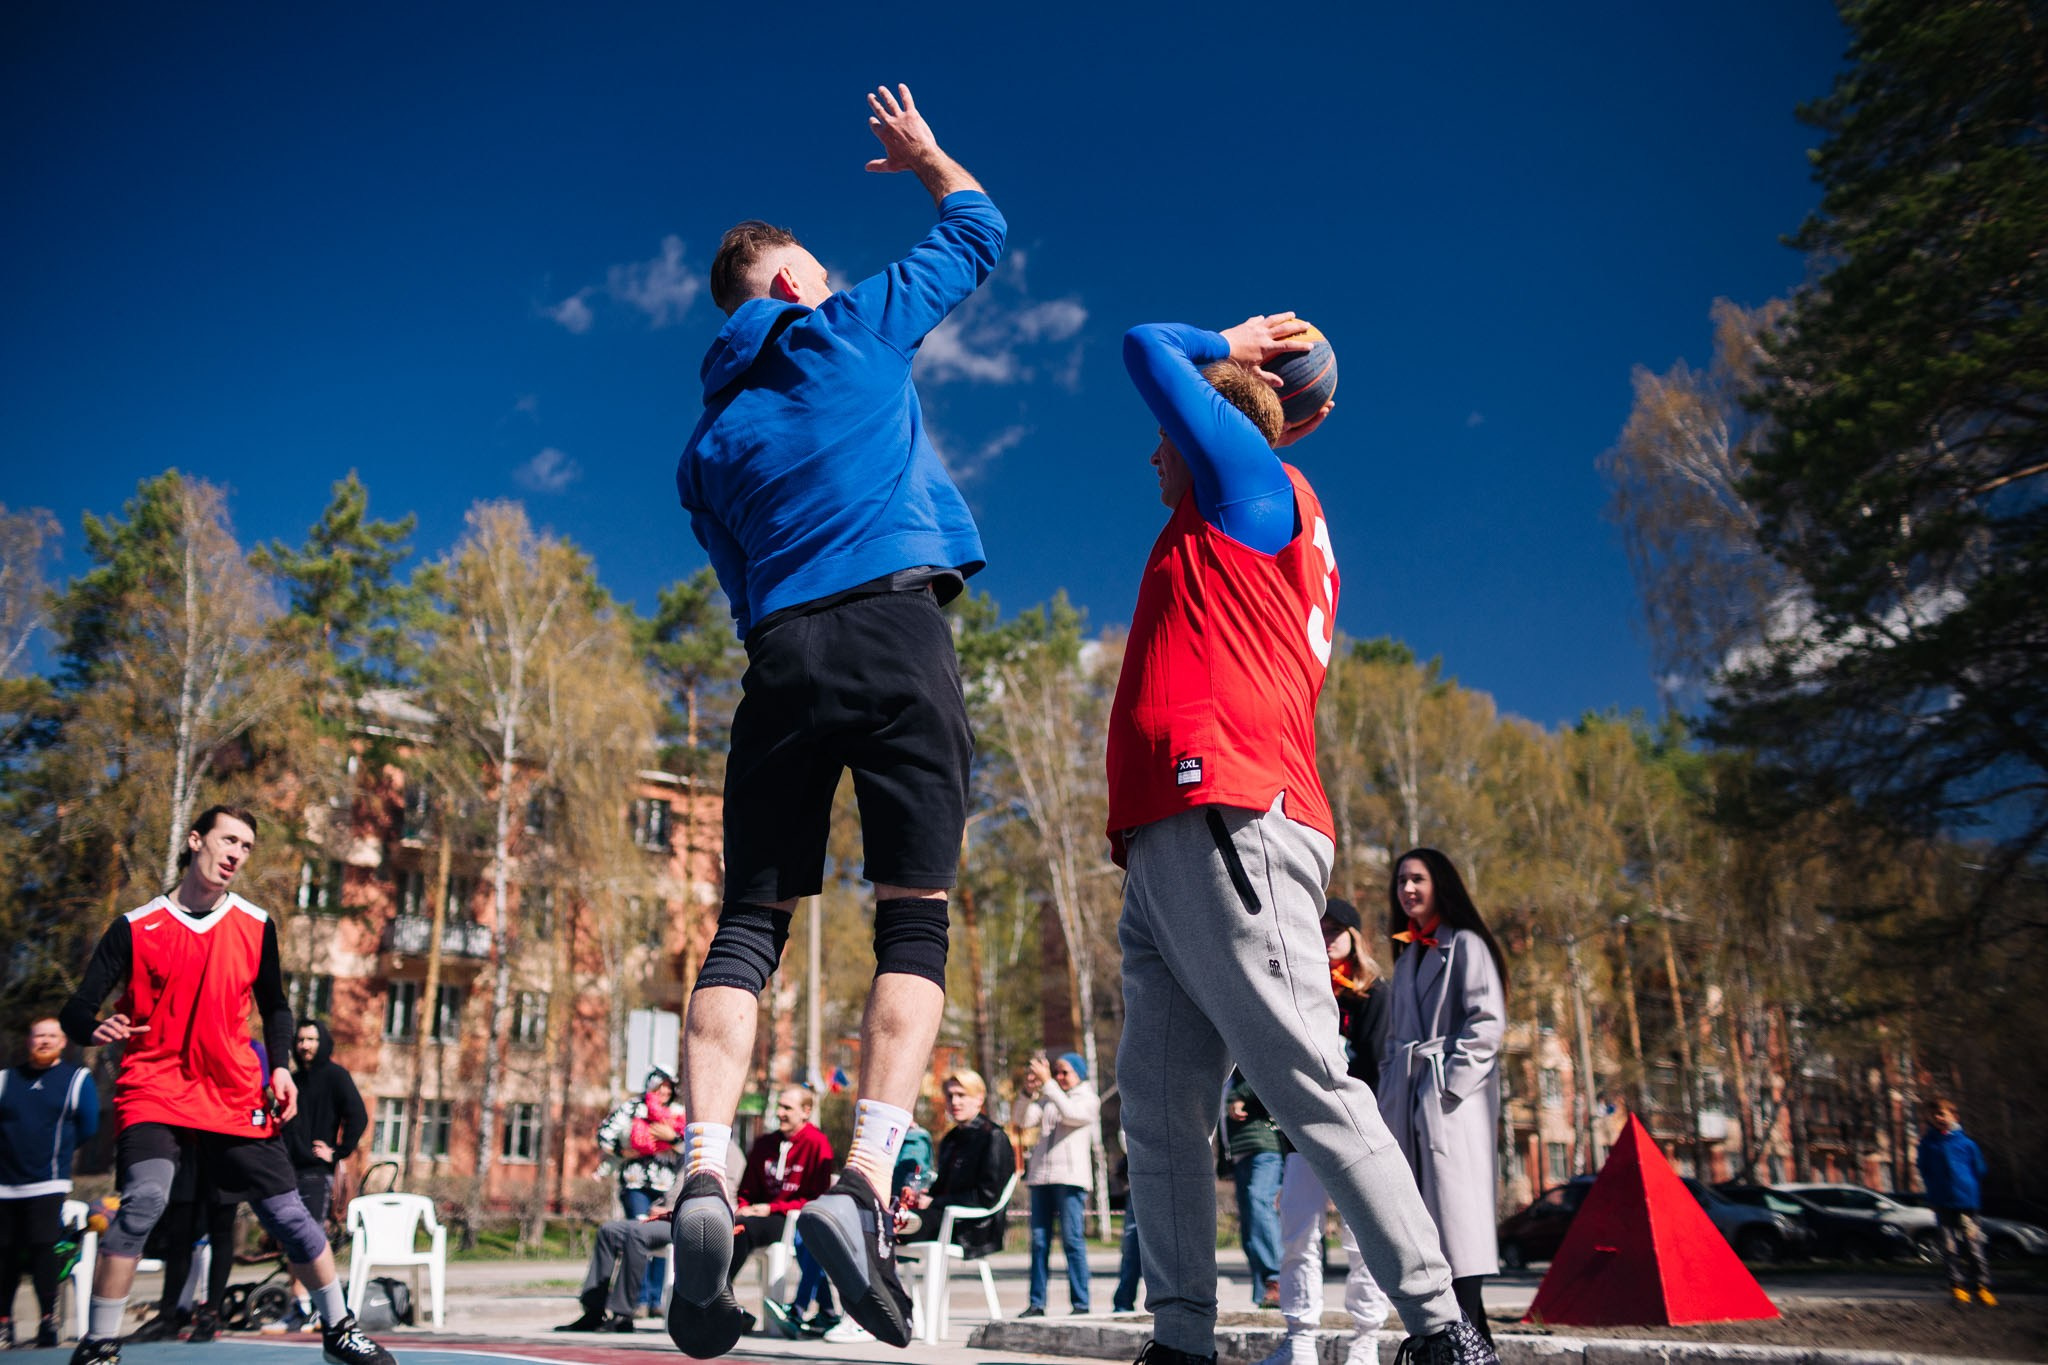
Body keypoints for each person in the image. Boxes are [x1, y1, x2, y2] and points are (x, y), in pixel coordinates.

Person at [665, 84, 1002, 1360]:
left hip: (780, 655)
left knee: (746, 926)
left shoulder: (704, 446)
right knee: (914, 914)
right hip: (893, 629)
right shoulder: (848, 326)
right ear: (794, 278)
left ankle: (703, 1171)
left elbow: (739, 586)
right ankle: (862, 1185)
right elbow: (978, 233)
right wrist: (924, 160)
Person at [1106, 316, 1494, 1365]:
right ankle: (1180, 1341)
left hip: (1228, 815)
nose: (1151, 449)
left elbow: (1144, 347)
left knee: (1307, 1080)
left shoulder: (1248, 485)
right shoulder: (1221, 513)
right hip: (1168, 844)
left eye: (1165, 437)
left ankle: (1441, 1328)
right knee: (1158, 1108)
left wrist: (1219, 339)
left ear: (1209, 428)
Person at [59, 804, 394, 1365]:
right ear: (196, 841)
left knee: (288, 1215)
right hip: (154, 1085)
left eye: (246, 846)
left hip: (231, 1090)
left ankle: (339, 1330)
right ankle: (97, 1345)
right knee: (144, 1201)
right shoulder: (135, 928)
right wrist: (94, 1027)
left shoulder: (255, 924)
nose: (237, 853)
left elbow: (276, 1008)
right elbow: (76, 1010)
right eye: (229, 839)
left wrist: (282, 1066)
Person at [1378, 849, 1507, 1349]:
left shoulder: (1466, 944)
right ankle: (1470, 1347)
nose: (1407, 889)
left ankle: (1465, 1344)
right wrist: (1394, 1082)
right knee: (1425, 1231)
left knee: (1459, 1228)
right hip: (1410, 1100)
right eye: (1401, 881)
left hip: (1453, 1105)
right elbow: (1394, 1038)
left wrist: (1450, 1083)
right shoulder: (1409, 954)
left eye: (1417, 879)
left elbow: (1487, 1023)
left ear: (1440, 884)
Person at [1258, 896, 1394, 1365]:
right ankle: (1299, 1337)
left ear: (1355, 936)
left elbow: (1376, 1066)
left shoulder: (1374, 993)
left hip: (1359, 1129)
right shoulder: (1300, 988)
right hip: (1302, 1130)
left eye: (1338, 928)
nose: (1328, 936)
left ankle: (1366, 1338)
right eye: (1322, 927)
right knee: (1298, 1232)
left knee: (1362, 1238)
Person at [0, 1017, 98, 1350]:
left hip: (48, 1183)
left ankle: (47, 1323)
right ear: (28, 1041)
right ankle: (4, 1324)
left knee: (44, 1250)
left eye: (51, 1036)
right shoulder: (5, 1080)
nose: (44, 1041)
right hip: (5, 1185)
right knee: (5, 1255)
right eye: (38, 1035)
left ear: (62, 1042)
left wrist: (58, 1158)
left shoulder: (76, 1079)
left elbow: (88, 1125)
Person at [280, 1020, 366, 1329]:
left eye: (312, 1039)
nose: (305, 1045)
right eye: (301, 1039)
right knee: (291, 1238)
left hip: (317, 1172)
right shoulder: (291, 1079)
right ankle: (299, 1304)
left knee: (311, 1236)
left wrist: (339, 1151)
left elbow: (358, 1115)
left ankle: (321, 1306)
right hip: (289, 1169)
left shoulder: (336, 1077)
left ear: (323, 1042)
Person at [901, 1069, 1015, 1256]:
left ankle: (883, 1283)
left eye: (961, 1095)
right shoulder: (951, 1139)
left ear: (979, 1099)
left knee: (893, 1228)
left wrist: (935, 1201)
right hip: (943, 1216)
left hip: (971, 1226)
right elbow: (943, 1188)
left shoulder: (993, 1137)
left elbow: (986, 1197)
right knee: (887, 1222)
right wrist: (923, 1196)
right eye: (950, 1096)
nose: (955, 1102)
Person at [1018, 1052, 1097, 1319]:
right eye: (1057, 1072)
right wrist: (1027, 1092)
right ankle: (1037, 1302)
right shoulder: (1049, 1098)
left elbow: (1072, 1115)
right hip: (1041, 1177)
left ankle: (1081, 1302)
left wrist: (1049, 1084)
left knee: (1072, 1240)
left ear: (1079, 1073)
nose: (1060, 1078)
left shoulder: (1088, 1099)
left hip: (1070, 1179)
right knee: (1039, 1243)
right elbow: (1022, 1120)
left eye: (1065, 1073)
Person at [597, 1067, 683, 1314]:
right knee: (638, 1234)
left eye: (669, 1086)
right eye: (660, 1086)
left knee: (660, 1238)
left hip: (667, 1188)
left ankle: (656, 1299)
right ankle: (639, 1297)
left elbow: (691, 1146)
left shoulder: (677, 1113)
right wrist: (624, 1151)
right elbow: (604, 1134)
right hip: (636, 1183)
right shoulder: (633, 1108)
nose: (665, 1091)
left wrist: (673, 1138)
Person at [1917, 1097, 1993, 1306]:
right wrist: (1932, 1195)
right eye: (1934, 1115)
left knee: (1973, 1245)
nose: (1938, 1118)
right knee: (1949, 1247)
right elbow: (1925, 1171)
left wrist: (1969, 1188)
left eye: (1942, 1114)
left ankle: (1981, 1286)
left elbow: (1979, 1169)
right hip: (1942, 1202)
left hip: (1967, 1203)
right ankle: (1958, 1286)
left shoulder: (1966, 1144)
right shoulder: (1928, 1145)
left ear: (1953, 1116)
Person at [1222, 1070, 1283, 1308]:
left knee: (1259, 1202)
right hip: (1239, 1154)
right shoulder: (1224, 1076)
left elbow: (1267, 1071)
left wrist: (1238, 1095)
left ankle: (1276, 1279)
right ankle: (1264, 1292)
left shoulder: (1241, 1068)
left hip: (1264, 1147)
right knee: (1248, 1222)